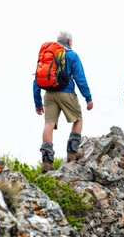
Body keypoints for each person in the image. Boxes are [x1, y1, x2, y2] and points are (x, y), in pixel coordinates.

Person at [33, 31, 93, 173]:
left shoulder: (47, 55)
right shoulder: (72, 55)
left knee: (49, 124)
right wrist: (88, 97)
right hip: (66, 93)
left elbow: (37, 78)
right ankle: (72, 153)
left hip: (49, 94)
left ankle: (47, 162)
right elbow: (80, 78)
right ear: (70, 42)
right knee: (78, 119)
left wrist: (37, 102)